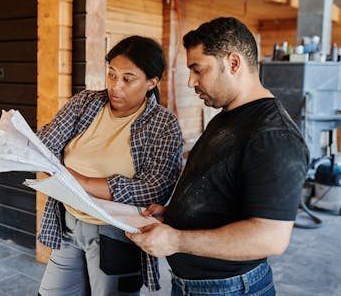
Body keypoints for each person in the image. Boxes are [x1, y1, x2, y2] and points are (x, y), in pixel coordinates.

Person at [126, 17, 309, 296]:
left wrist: (177, 240)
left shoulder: (273, 135)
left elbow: (270, 238)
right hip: (194, 284)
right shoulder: (227, 116)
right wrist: (173, 216)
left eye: (198, 70)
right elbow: (219, 188)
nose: (191, 82)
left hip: (231, 289)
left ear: (233, 63)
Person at [37, 35, 184, 295]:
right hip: (68, 222)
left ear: (152, 82)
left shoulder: (163, 124)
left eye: (128, 79)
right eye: (112, 75)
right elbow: (45, 144)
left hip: (116, 234)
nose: (116, 86)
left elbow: (154, 188)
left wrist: (77, 181)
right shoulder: (86, 103)